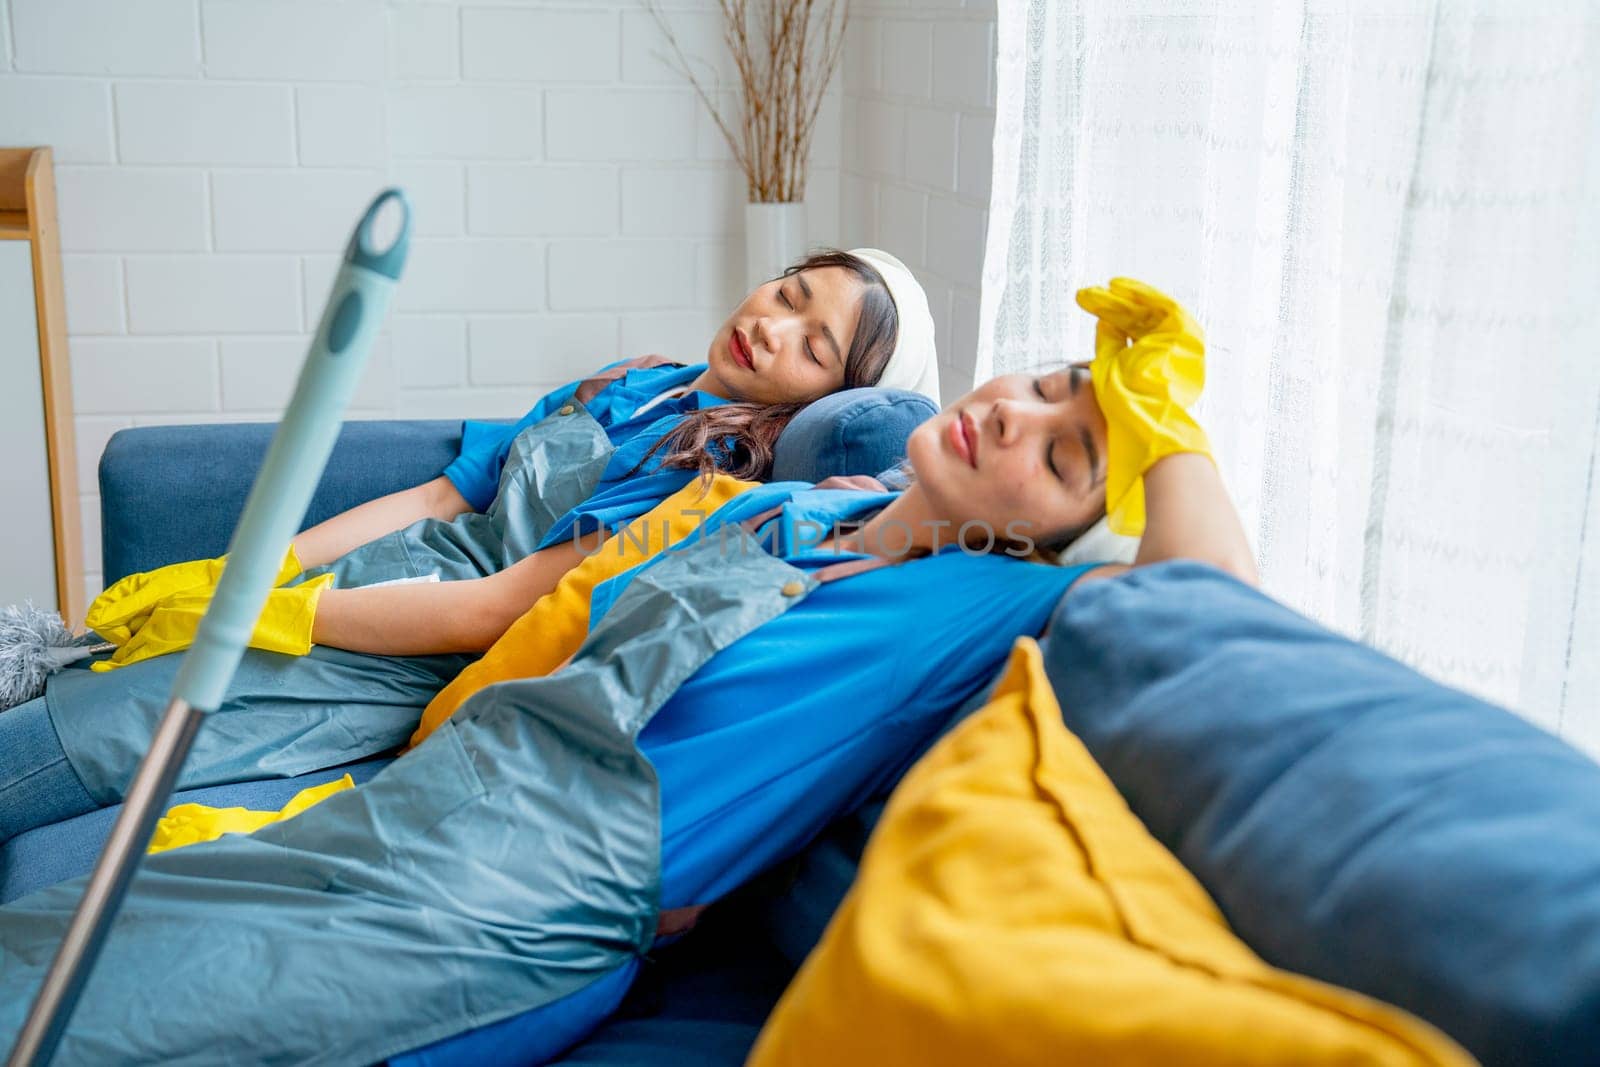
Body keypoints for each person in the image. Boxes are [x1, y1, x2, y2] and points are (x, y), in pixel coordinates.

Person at [0, 279, 1255, 1066]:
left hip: (511, 900)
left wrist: (1169, 428)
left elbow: (1212, 613)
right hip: (427, 800)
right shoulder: (811, 504)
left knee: (73, 1021)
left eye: (1071, 449)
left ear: (1056, 532)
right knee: (40, 944)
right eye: (1039, 384)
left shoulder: (1007, 601)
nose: (1018, 414)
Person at [0, 248, 939, 844]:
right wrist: (272, 565)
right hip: (367, 582)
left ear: (826, 397)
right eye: (787, 291)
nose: (771, 325)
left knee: (99, 726)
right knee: (102, 654)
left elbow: (496, 609)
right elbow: (441, 495)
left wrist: (291, 611)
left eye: (813, 347)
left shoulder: (713, 477)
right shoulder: (645, 382)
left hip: (404, 650)